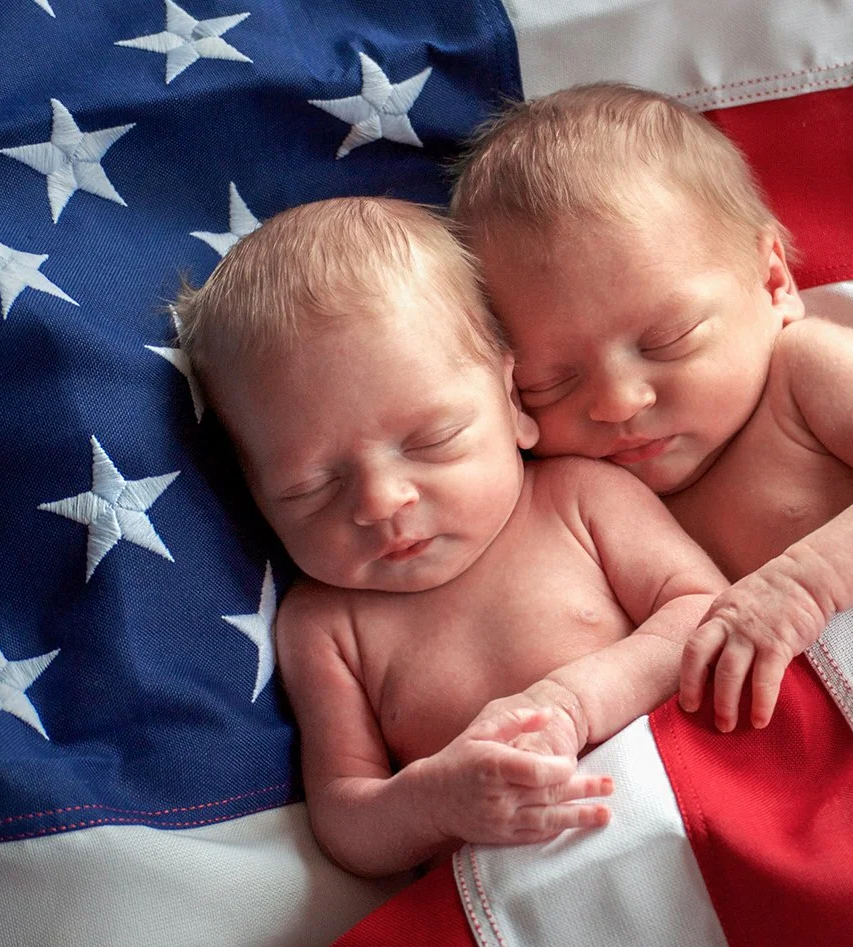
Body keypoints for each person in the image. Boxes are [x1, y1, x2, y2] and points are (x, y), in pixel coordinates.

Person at [172, 197, 727, 878]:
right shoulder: (325, 624)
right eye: (311, 487)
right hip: (522, 898)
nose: (379, 501)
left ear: (515, 402)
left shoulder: (581, 498)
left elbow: (707, 613)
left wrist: (576, 706)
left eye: (431, 441)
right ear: (253, 488)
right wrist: (433, 804)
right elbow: (347, 818)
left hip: (691, 814)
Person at [452, 83, 853, 736]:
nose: (617, 402)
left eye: (669, 341)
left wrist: (806, 585)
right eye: (550, 383)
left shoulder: (801, 374)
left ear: (773, 280)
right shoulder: (571, 500)